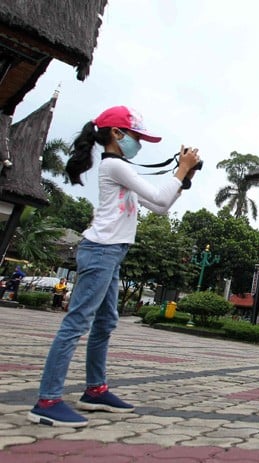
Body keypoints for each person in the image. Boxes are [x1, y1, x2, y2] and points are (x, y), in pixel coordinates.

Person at [28, 106, 201, 428]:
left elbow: (159, 205)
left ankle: (95, 391)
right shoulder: (115, 165)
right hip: (100, 251)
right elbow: (158, 196)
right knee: (76, 324)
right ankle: (47, 400)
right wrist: (181, 170)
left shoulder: (121, 169)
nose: (140, 143)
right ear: (116, 134)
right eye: (136, 137)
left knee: (105, 323)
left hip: (111, 252)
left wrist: (184, 177)